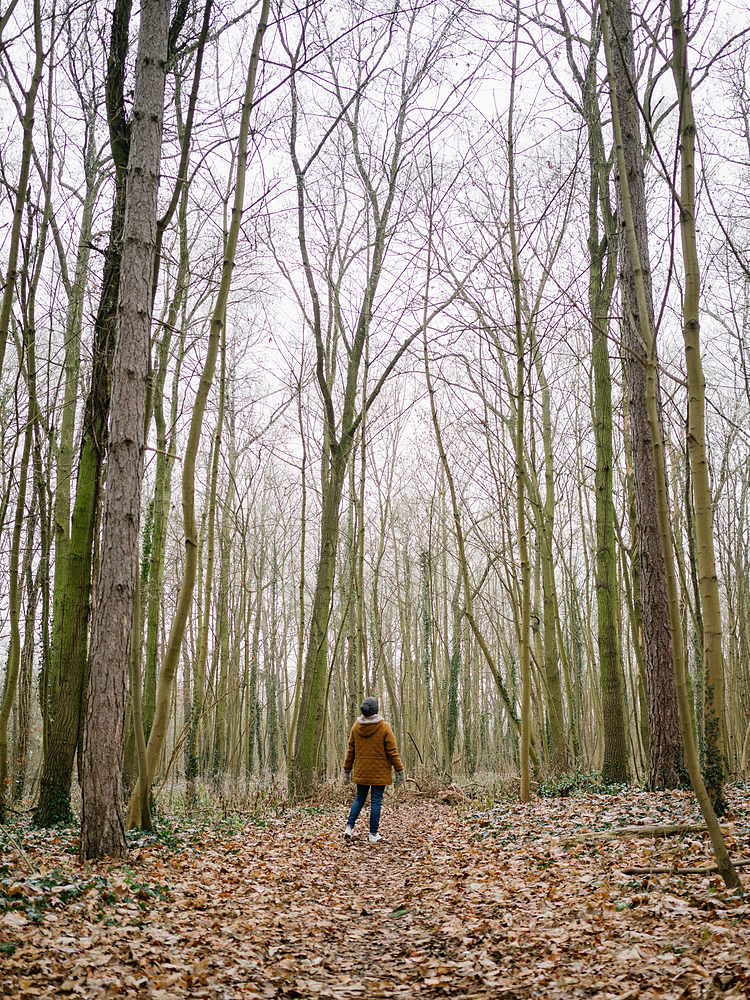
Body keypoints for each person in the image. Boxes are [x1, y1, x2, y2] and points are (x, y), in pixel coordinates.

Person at [343, 696, 405, 843]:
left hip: (362, 771)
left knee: (359, 798)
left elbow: (350, 751)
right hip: (380, 772)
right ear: (376, 710)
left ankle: (349, 827)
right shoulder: (384, 727)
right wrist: (400, 770)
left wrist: (347, 770)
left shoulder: (356, 727)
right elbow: (392, 752)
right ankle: (372, 834)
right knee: (376, 801)